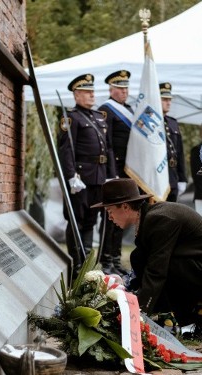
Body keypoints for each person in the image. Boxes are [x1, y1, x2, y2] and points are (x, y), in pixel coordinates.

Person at [91, 178, 202, 341]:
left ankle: (196, 315)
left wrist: (137, 313)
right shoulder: (150, 217)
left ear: (125, 207)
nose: (110, 217)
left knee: (155, 266)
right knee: (139, 257)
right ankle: (195, 316)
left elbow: (156, 271)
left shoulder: (158, 219)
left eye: (110, 211)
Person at [57, 73, 116, 275]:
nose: (92, 95)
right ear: (76, 95)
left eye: (92, 92)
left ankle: (88, 267)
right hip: (80, 180)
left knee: (91, 220)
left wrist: (111, 175)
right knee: (77, 221)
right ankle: (77, 267)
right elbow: (66, 151)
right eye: (87, 92)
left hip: (99, 178)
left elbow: (108, 149)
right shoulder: (71, 118)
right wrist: (71, 175)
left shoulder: (99, 117)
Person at [98, 70, 133, 275]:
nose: (124, 92)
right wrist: (111, 172)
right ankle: (106, 259)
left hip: (127, 171)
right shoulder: (106, 110)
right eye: (120, 88)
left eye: (126, 88)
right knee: (110, 217)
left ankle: (117, 259)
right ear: (111, 89)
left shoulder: (128, 109)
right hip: (114, 170)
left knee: (123, 215)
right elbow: (107, 144)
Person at [159, 82, 188, 202]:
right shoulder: (150, 123)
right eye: (164, 99)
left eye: (169, 99)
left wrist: (182, 178)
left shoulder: (173, 122)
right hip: (159, 177)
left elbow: (180, 153)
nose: (168, 102)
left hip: (173, 176)